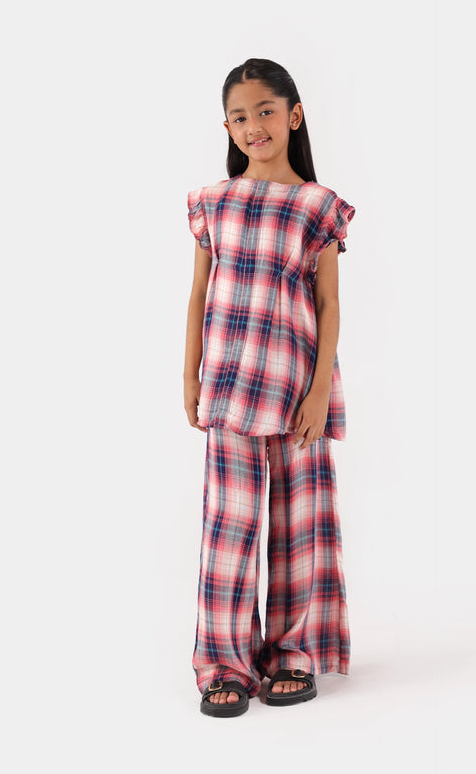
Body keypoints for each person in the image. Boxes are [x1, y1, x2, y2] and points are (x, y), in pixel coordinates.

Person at [183, 58, 356, 718]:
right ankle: (223, 663)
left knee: (296, 525)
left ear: (293, 115)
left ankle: (292, 652)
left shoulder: (317, 206)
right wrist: (190, 373)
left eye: (264, 111)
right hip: (230, 386)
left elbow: (328, 304)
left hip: (296, 385)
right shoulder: (214, 201)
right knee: (228, 530)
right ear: (226, 127)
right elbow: (199, 294)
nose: (253, 125)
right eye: (239, 116)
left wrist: (318, 393)